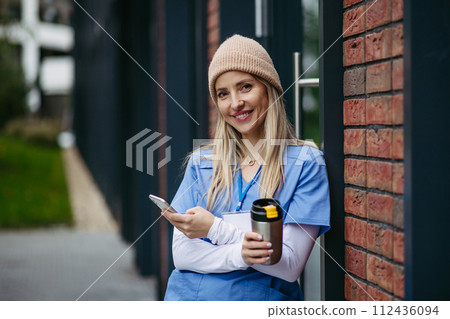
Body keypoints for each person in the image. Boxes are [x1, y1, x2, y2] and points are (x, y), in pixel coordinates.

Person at [162, 34, 330, 301]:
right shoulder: (202, 163)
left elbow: (288, 266)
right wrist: (241, 253)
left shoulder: (305, 164)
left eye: (245, 87)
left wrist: (214, 230)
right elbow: (182, 255)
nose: (235, 103)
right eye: (223, 94)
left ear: (268, 88)